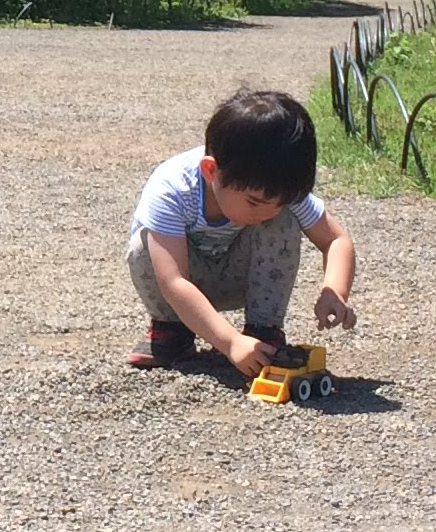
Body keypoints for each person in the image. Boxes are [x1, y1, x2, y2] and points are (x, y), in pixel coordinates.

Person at [126, 87, 357, 373]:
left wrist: (334, 290)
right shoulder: (172, 188)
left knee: (283, 221)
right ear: (211, 171)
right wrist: (230, 341)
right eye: (254, 202)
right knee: (143, 244)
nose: (266, 211)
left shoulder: (273, 185)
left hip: (244, 280)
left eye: (279, 201)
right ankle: (172, 331)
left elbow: (336, 240)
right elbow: (174, 281)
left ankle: (263, 332)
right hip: (182, 287)